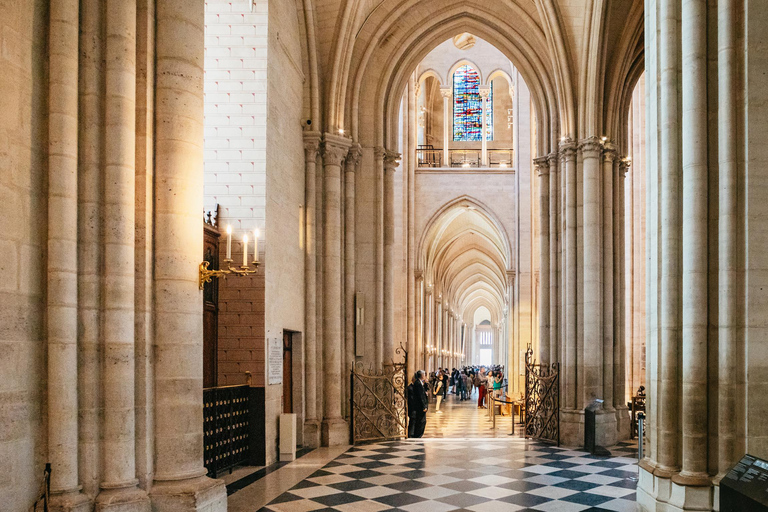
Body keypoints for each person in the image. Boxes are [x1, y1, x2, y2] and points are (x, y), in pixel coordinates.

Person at [409, 371, 429, 437]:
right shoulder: (418, 383)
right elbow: (420, 396)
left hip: (419, 406)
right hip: (419, 406)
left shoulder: (420, 383)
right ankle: (417, 435)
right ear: (422, 375)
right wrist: (424, 406)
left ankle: (418, 434)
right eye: (424, 375)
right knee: (421, 421)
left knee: (421, 421)